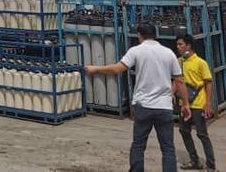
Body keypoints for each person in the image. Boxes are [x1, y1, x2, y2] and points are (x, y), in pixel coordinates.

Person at [86, 23, 191, 172]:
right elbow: (179, 81)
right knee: (168, 148)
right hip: (164, 107)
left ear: (140, 36)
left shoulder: (136, 51)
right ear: (155, 35)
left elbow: (117, 69)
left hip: (143, 106)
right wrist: (186, 104)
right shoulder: (168, 53)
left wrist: (95, 68)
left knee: (138, 145)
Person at [176, 34, 216, 171]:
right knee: (184, 131)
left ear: (189, 45)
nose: (178, 47)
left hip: (198, 104)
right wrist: (170, 94)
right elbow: (177, 81)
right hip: (184, 104)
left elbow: (208, 83)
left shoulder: (200, 63)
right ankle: (194, 161)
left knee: (202, 134)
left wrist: (208, 103)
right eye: (177, 44)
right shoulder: (179, 62)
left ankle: (211, 166)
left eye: (181, 44)